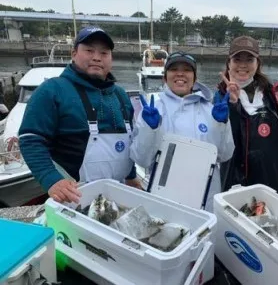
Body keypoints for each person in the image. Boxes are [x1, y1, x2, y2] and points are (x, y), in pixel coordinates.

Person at [19, 26, 141, 204]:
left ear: (111, 58)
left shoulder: (120, 95)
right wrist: (51, 179)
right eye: (89, 50)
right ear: (74, 53)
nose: (97, 57)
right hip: (74, 197)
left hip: (117, 194)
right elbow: (30, 139)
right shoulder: (52, 90)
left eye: (104, 53)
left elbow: (125, 143)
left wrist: (131, 175)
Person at [130, 51, 234, 212]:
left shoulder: (211, 109)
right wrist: (150, 129)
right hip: (164, 197)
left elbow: (225, 154)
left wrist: (221, 125)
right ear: (165, 77)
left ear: (195, 78)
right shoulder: (152, 109)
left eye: (186, 70)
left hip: (205, 199)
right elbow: (142, 160)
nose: (180, 73)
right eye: (174, 69)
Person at [215, 36, 278, 197]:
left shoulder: (274, 93)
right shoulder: (218, 96)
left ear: (258, 64)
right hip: (234, 176)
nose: (243, 65)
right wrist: (232, 104)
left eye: (249, 59)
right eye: (237, 59)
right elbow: (218, 139)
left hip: (272, 175)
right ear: (229, 63)